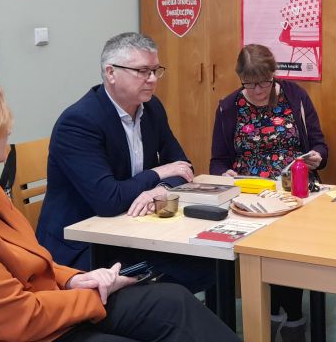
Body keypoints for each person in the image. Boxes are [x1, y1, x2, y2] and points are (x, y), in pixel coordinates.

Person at [0, 74, 238, 342]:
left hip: (43, 308)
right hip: (16, 330)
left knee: (169, 301)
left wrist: (75, 279)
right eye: (1, 127)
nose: (10, 130)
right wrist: (94, 295)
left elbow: (33, 259)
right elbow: (17, 320)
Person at [37, 32, 213, 293]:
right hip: (84, 247)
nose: (152, 80)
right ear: (111, 73)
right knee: (192, 272)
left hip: (130, 230)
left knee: (211, 263)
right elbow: (107, 200)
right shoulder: (79, 122)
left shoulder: (152, 108)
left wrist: (161, 189)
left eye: (155, 70)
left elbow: (183, 166)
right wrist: (158, 172)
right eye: (142, 71)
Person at [209, 43, 327, 342]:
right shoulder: (228, 106)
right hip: (250, 194)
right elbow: (218, 160)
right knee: (260, 246)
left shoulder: (295, 96)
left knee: (289, 245)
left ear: (274, 75)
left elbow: (320, 145)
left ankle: (291, 316)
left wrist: (315, 156)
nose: (259, 90)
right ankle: (274, 315)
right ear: (240, 78)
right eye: (250, 84)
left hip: (293, 188)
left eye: (264, 82)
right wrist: (226, 174)